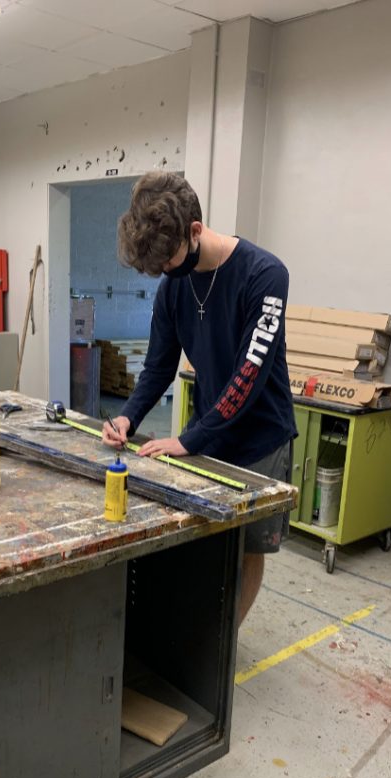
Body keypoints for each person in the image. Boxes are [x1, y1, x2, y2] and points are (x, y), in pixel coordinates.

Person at [102, 172, 297, 623]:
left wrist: (190, 439)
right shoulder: (173, 288)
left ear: (195, 231)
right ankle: (201, 637)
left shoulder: (265, 275)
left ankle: (225, 639)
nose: (166, 273)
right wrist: (128, 417)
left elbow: (248, 376)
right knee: (205, 536)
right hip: (213, 431)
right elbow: (158, 365)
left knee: (247, 547)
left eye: (169, 261)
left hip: (260, 438)